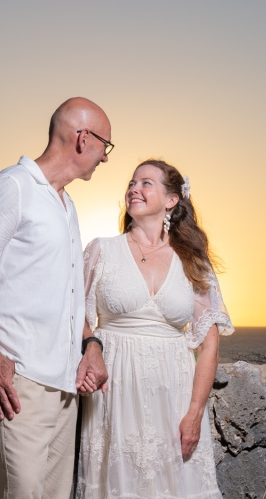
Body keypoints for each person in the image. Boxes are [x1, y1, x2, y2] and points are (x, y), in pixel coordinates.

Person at [0, 97, 111, 499]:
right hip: (17, 379)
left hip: (63, 383)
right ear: (82, 138)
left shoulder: (66, 205)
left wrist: (90, 345)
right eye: (105, 146)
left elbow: (70, 293)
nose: (105, 159)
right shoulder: (14, 186)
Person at [77, 159, 234, 499]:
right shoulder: (102, 250)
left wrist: (194, 413)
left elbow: (209, 346)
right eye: (132, 182)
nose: (134, 188)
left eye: (146, 183)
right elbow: (77, 314)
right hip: (114, 390)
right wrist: (91, 349)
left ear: (171, 200)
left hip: (174, 395)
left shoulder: (193, 261)